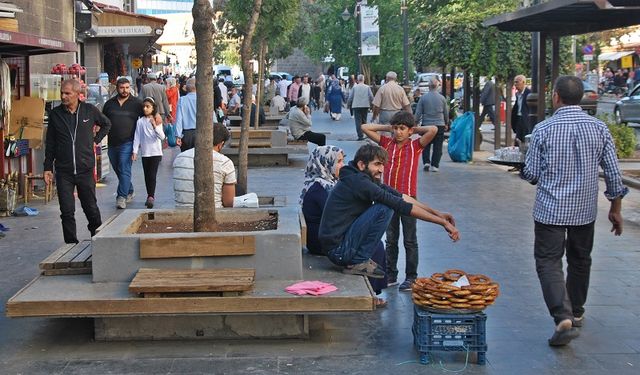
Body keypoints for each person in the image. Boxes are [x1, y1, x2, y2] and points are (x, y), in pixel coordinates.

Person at [520, 75, 628, 347]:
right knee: (580, 259)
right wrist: (616, 208)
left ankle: (562, 315)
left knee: (548, 261)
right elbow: (614, 174)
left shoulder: (543, 129)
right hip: (584, 210)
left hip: (550, 211)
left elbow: (531, 173)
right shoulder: (599, 128)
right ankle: (576, 311)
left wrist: (532, 174)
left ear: (556, 96)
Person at [318, 144, 459, 279]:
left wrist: (437, 213)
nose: (381, 170)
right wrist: (441, 223)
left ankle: (359, 259)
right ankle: (359, 260)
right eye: (377, 164)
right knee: (385, 208)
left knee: (389, 202)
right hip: (339, 251)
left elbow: (401, 197)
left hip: (339, 245)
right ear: (362, 165)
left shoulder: (363, 178)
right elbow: (399, 204)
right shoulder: (359, 182)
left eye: (382, 165)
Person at [300, 145, 389, 308]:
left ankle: (373, 291)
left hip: (324, 237)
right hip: (321, 243)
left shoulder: (326, 183)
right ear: (325, 163)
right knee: (375, 246)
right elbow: (338, 217)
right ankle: (372, 294)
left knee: (375, 243)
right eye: (338, 161)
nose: (343, 165)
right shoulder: (320, 189)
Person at [361, 112, 438, 290]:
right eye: (396, 128)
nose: (398, 132)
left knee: (410, 240)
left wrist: (412, 129)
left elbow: (433, 129)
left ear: (410, 131)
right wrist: (388, 128)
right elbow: (365, 127)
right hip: (389, 198)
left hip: (409, 199)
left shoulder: (415, 146)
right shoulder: (386, 144)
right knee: (391, 238)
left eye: (402, 129)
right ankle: (391, 274)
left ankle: (411, 277)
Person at [44, 79, 111, 244]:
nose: (63, 96)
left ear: (77, 94)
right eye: (62, 93)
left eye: (67, 93)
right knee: (66, 211)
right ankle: (70, 245)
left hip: (85, 169)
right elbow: (50, 143)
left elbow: (106, 124)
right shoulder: (55, 114)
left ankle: (98, 241)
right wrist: (47, 168)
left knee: (91, 209)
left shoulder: (89, 111)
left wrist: (96, 139)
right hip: (64, 171)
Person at [173, 123, 236, 208]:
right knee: (238, 190)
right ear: (221, 144)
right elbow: (228, 202)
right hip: (214, 213)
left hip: (181, 211)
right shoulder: (225, 163)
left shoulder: (179, 158)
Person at [102, 77, 143, 209]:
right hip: (112, 142)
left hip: (128, 142)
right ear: (117, 88)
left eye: (127, 87)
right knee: (118, 169)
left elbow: (148, 114)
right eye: (122, 88)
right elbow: (103, 121)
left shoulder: (136, 103)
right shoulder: (109, 104)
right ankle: (129, 189)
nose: (125, 90)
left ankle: (121, 197)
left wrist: (157, 116)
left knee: (124, 168)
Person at [132, 97, 166, 209]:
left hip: (155, 152)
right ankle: (149, 195)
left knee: (152, 175)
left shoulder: (157, 120)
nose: (145, 109)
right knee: (147, 175)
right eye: (144, 107)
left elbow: (162, 136)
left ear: (153, 108)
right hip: (145, 153)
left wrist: (154, 126)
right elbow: (137, 137)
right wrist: (135, 151)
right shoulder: (140, 121)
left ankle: (151, 196)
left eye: (148, 107)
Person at [414, 77, 449, 172]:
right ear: (437, 86)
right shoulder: (442, 98)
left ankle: (426, 162)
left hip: (426, 125)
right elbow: (446, 112)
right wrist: (446, 123)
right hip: (439, 125)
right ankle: (435, 165)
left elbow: (418, 113)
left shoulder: (423, 98)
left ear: (429, 86)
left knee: (425, 144)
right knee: (438, 146)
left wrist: (415, 123)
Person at [175, 77, 198, 152]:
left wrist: (178, 135)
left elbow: (179, 119)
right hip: (201, 131)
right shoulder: (202, 99)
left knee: (186, 157)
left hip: (187, 133)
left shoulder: (182, 100)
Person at [347, 74, 374, 141]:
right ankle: (365, 133)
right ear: (363, 79)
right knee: (364, 120)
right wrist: (372, 104)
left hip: (356, 106)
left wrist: (348, 104)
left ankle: (360, 135)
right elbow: (371, 97)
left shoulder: (355, 87)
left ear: (358, 80)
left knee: (358, 121)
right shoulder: (367, 87)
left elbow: (350, 97)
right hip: (365, 105)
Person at [511, 74, 531, 145]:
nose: (515, 84)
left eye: (517, 82)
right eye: (514, 82)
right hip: (518, 119)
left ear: (523, 82)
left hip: (526, 120)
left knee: (525, 140)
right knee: (517, 141)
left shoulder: (529, 93)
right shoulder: (517, 94)